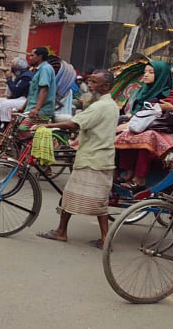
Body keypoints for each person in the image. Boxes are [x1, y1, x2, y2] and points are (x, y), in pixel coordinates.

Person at [36, 70, 119, 249]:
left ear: (105, 87)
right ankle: (103, 238)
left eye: (94, 83)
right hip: (101, 157)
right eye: (89, 81)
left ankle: (61, 231)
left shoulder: (100, 106)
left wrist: (48, 126)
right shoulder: (110, 104)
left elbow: (75, 123)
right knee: (99, 201)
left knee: (72, 196)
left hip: (92, 158)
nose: (89, 85)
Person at [116, 64, 173, 189]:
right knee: (129, 134)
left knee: (148, 138)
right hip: (163, 127)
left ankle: (140, 179)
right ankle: (128, 172)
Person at [16, 46, 57, 140]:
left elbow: (44, 90)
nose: (29, 58)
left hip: (41, 111)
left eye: (32, 55)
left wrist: (37, 109)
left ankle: (33, 150)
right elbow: (33, 93)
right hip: (32, 109)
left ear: (40, 56)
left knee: (23, 129)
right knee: (16, 130)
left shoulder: (45, 69)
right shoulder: (38, 70)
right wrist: (22, 107)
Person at [0, 57, 33, 131]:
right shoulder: (21, 75)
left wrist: (9, 79)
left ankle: (5, 127)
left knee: (5, 104)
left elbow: (16, 91)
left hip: (25, 99)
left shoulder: (26, 76)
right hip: (19, 98)